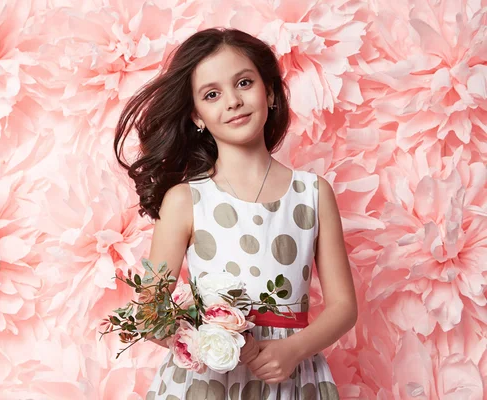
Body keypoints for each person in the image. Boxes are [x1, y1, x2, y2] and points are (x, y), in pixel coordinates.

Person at [114, 27, 357, 400]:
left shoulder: (312, 194)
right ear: (197, 115)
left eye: (244, 83)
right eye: (212, 94)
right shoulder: (185, 200)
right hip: (208, 384)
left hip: (290, 379)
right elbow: (150, 312)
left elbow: (343, 307)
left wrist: (292, 350)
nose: (233, 101)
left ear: (270, 92)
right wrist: (211, 341)